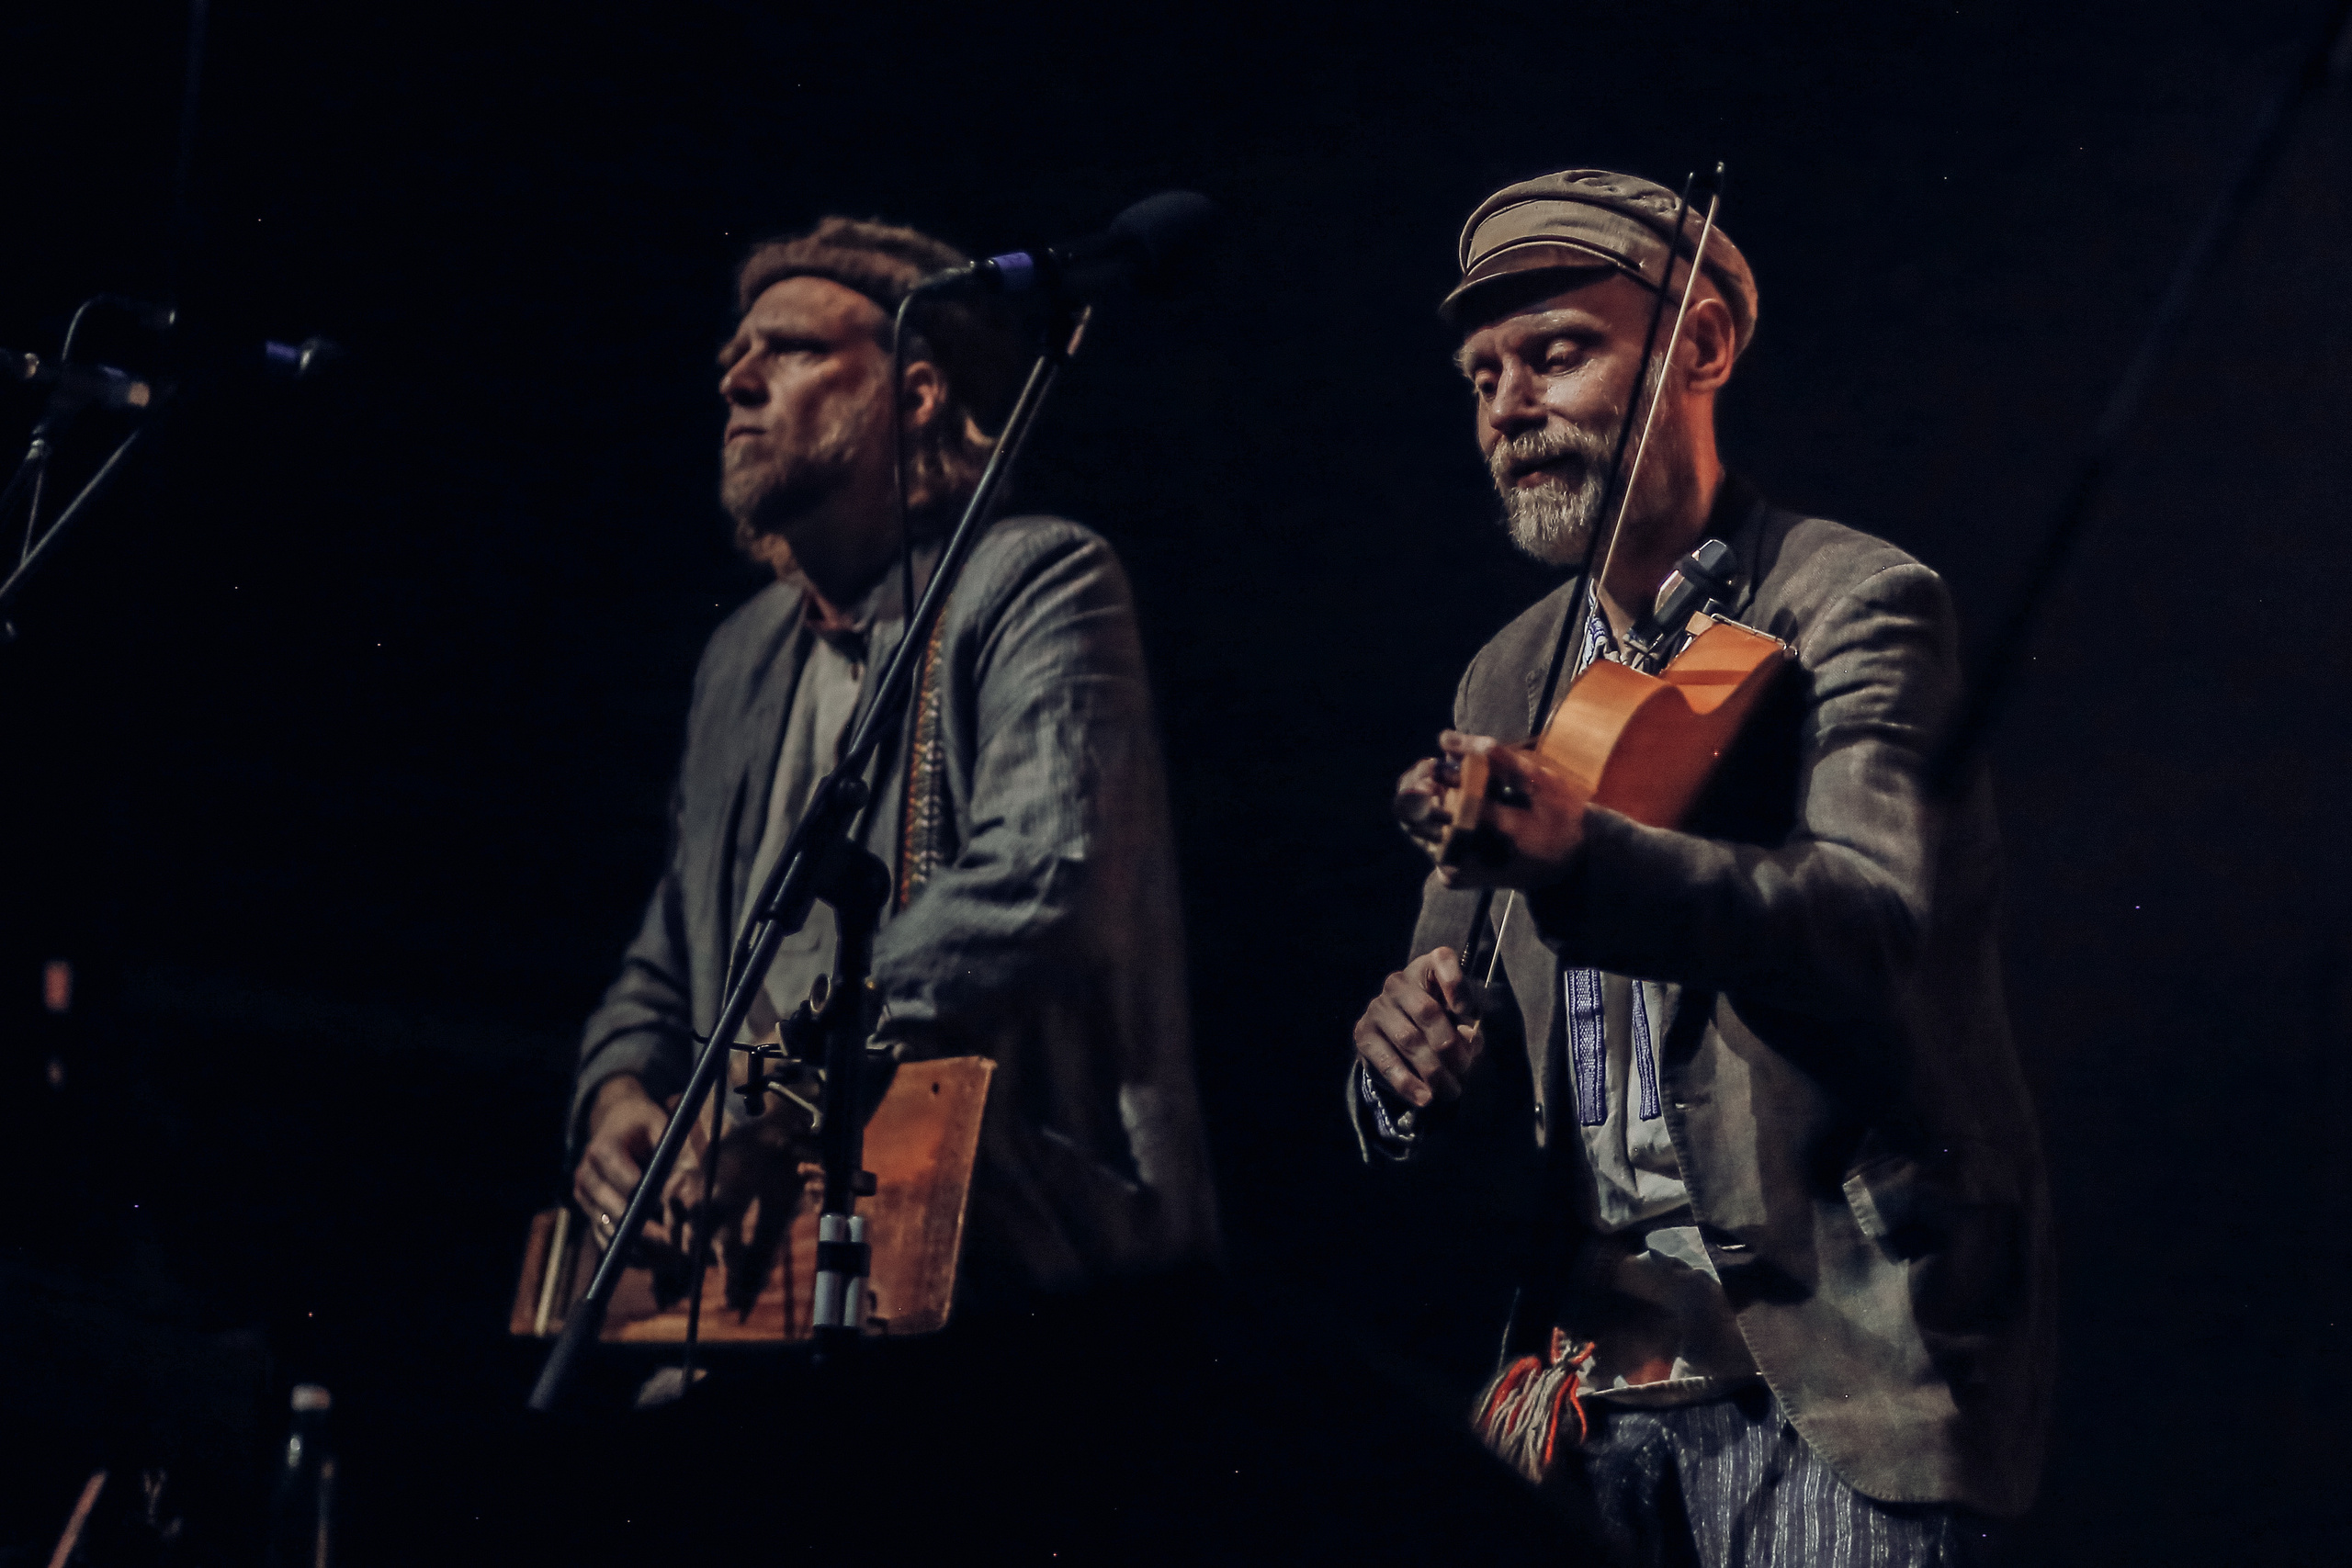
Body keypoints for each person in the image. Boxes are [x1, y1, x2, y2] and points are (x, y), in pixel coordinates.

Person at [1349, 170, 2054, 1565]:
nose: (1508, 403)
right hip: (1587, 1390)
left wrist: (1584, 850)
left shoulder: (1856, 602)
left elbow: (1871, 921)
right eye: (1483, 373)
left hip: (1835, 1362)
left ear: (1704, 348)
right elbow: (1460, 1001)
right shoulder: (1506, 668)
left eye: (1557, 352)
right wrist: (1404, 1058)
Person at [569, 216, 1217, 1314]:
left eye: (789, 350)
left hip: (1016, 1267)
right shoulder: (740, 657)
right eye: (735, 354)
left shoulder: (1037, 578)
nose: (735, 379)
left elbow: (1045, 879)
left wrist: (763, 1093)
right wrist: (619, 1092)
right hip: (767, 1285)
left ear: (915, 396)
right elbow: (669, 951)